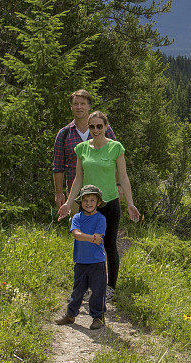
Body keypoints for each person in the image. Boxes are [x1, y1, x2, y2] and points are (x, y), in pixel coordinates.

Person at [58, 110, 140, 298]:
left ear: (106, 127)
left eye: (99, 126)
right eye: (92, 126)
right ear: (89, 127)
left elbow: (124, 177)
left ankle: (110, 287)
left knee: (109, 245)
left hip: (110, 202)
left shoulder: (115, 148)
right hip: (88, 205)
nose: (95, 130)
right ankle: (87, 286)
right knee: (87, 244)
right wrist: (69, 203)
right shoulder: (82, 148)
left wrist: (130, 203)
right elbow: (78, 178)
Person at [52, 89, 115, 210]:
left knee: (103, 228)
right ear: (71, 107)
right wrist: (59, 193)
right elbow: (58, 167)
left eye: (83, 104)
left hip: (103, 193)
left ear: (89, 107)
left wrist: (118, 185)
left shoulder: (104, 129)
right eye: (76, 104)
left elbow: (116, 159)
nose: (79, 107)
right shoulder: (64, 134)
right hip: (75, 195)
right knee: (78, 227)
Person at [56, 185, 108, 329]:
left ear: (98, 203)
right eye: (85, 200)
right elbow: (76, 234)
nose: (88, 203)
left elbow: (98, 238)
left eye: (92, 200)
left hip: (97, 262)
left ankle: (98, 317)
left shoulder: (101, 219)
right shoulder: (77, 217)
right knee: (77, 291)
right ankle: (70, 315)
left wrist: (87, 237)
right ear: (81, 202)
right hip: (81, 261)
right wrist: (91, 237)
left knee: (98, 291)